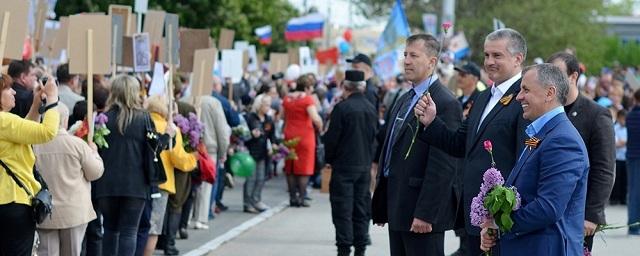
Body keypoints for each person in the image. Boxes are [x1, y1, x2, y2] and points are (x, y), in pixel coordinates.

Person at [414, 28, 529, 256]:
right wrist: (431, 122)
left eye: (497, 55)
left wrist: (504, 214)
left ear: (518, 59)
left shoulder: (524, 98)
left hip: (501, 217)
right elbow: (460, 144)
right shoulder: (484, 96)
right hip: (475, 214)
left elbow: (524, 161)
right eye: (486, 55)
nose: (489, 62)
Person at [478, 63, 589, 255]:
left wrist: (499, 224)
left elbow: (548, 208)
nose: (519, 96)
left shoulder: (562, 140)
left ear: (549, 93)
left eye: (526, 90)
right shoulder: (544, 134)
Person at [371, 33, 461, 256]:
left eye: (414, 55)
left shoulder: (444, 102)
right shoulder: (404, 98)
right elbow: (391, 149)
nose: (407, 60)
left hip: (420, 212)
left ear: (432, 61)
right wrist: (382, 203)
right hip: (398, 206)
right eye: (405, 55)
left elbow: (443, 164)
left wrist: (426, 212)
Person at [546, 52, 615, 252]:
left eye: (557, 74)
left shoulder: (596, 114)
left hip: (578, 216)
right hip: (548, 212)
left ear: (573, 76)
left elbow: (604, 169)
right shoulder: (546, 111)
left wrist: (592, 215)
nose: (552, 81)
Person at [34, 103, 104, 256]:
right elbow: (95, 173)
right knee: (72, 252)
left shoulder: (34, 145)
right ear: (64, 120)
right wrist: (95, 153)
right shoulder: (77, 144)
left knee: (46, 253)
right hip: (74, 211)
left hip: (45, 210)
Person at [0, 73, 59, 256]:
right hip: (14, 201)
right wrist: (52, 100)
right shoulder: (4, 120)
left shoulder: (5, 122)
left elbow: (22, 134)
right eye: (7, 88)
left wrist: (35, 106)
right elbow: (48, 132)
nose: (14, 92)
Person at [323, 70, 378, 256]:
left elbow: (332, 139)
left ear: (345, 87)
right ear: (362, 87)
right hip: (363, 166)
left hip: (344, 167)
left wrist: (329, 159)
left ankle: (344, 248)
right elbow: (375, 138)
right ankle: (361, 247)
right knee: (361, 208)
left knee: (342, 209)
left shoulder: (342, 108)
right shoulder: (371, 108)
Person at [93, 75, 150, 256]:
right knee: (129, 231)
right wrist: (167, 136)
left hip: (107, 183)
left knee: (110, 229)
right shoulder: (144, 119)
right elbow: (153, 150)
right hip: (136, 183)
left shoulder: (103, 119)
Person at [143, 95, 197, 256]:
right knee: (153, 228)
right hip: (162, 182)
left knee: (139, 226)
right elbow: (178, 158)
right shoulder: (170, 128)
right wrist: (193, 159)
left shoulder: (142, 123)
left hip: (142, 181)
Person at [282, 74, 323, 207]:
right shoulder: (307, 99)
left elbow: (282, 116)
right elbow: (315, 118)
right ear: (306, 87)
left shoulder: (287, 98)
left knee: (290, 167)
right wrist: (321, 127)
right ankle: (301, 197)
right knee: (304, 167)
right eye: (311, 87)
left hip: (289, 135)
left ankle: (292, 197)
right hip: (305, 135)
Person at [190, 95, 230, 228]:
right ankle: (200, 218)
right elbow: (222, 130)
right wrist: (223, 151)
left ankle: (188, 218)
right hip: (209, 149)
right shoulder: (213, 103)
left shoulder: (187, 98)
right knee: (205, 185)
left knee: (190, 185)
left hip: (189, 147)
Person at [243, 93, 275, 213]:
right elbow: (243, 134)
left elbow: (271, 135)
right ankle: (247, 203)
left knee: (261, 178)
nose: (268, 107)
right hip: (251, 151)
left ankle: (256, 200)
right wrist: (251, 135)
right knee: (251, 178)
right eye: (266, 105)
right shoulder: (250, 117)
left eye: (269, 105)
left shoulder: (268, 119)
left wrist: (274, 144)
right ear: (259, 105)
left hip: (262, 152)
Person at [627, 89, 640, 235]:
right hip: (636, 156)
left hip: (632, 156)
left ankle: (633, 223)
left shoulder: (630, 115)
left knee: (633, 192)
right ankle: (635, 225)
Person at [611, 109, 628, 205]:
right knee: (617, 179)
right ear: (618, 118)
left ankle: (623, 198)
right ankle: (614, 198)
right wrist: (623, 142)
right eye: (622, 119)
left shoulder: (628, 128)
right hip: (617, 158)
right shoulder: (615, 128)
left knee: (625, 180)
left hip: (625, 158)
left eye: (625, 119)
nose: (623, 121)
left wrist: (623, 142)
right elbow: (615, 142)